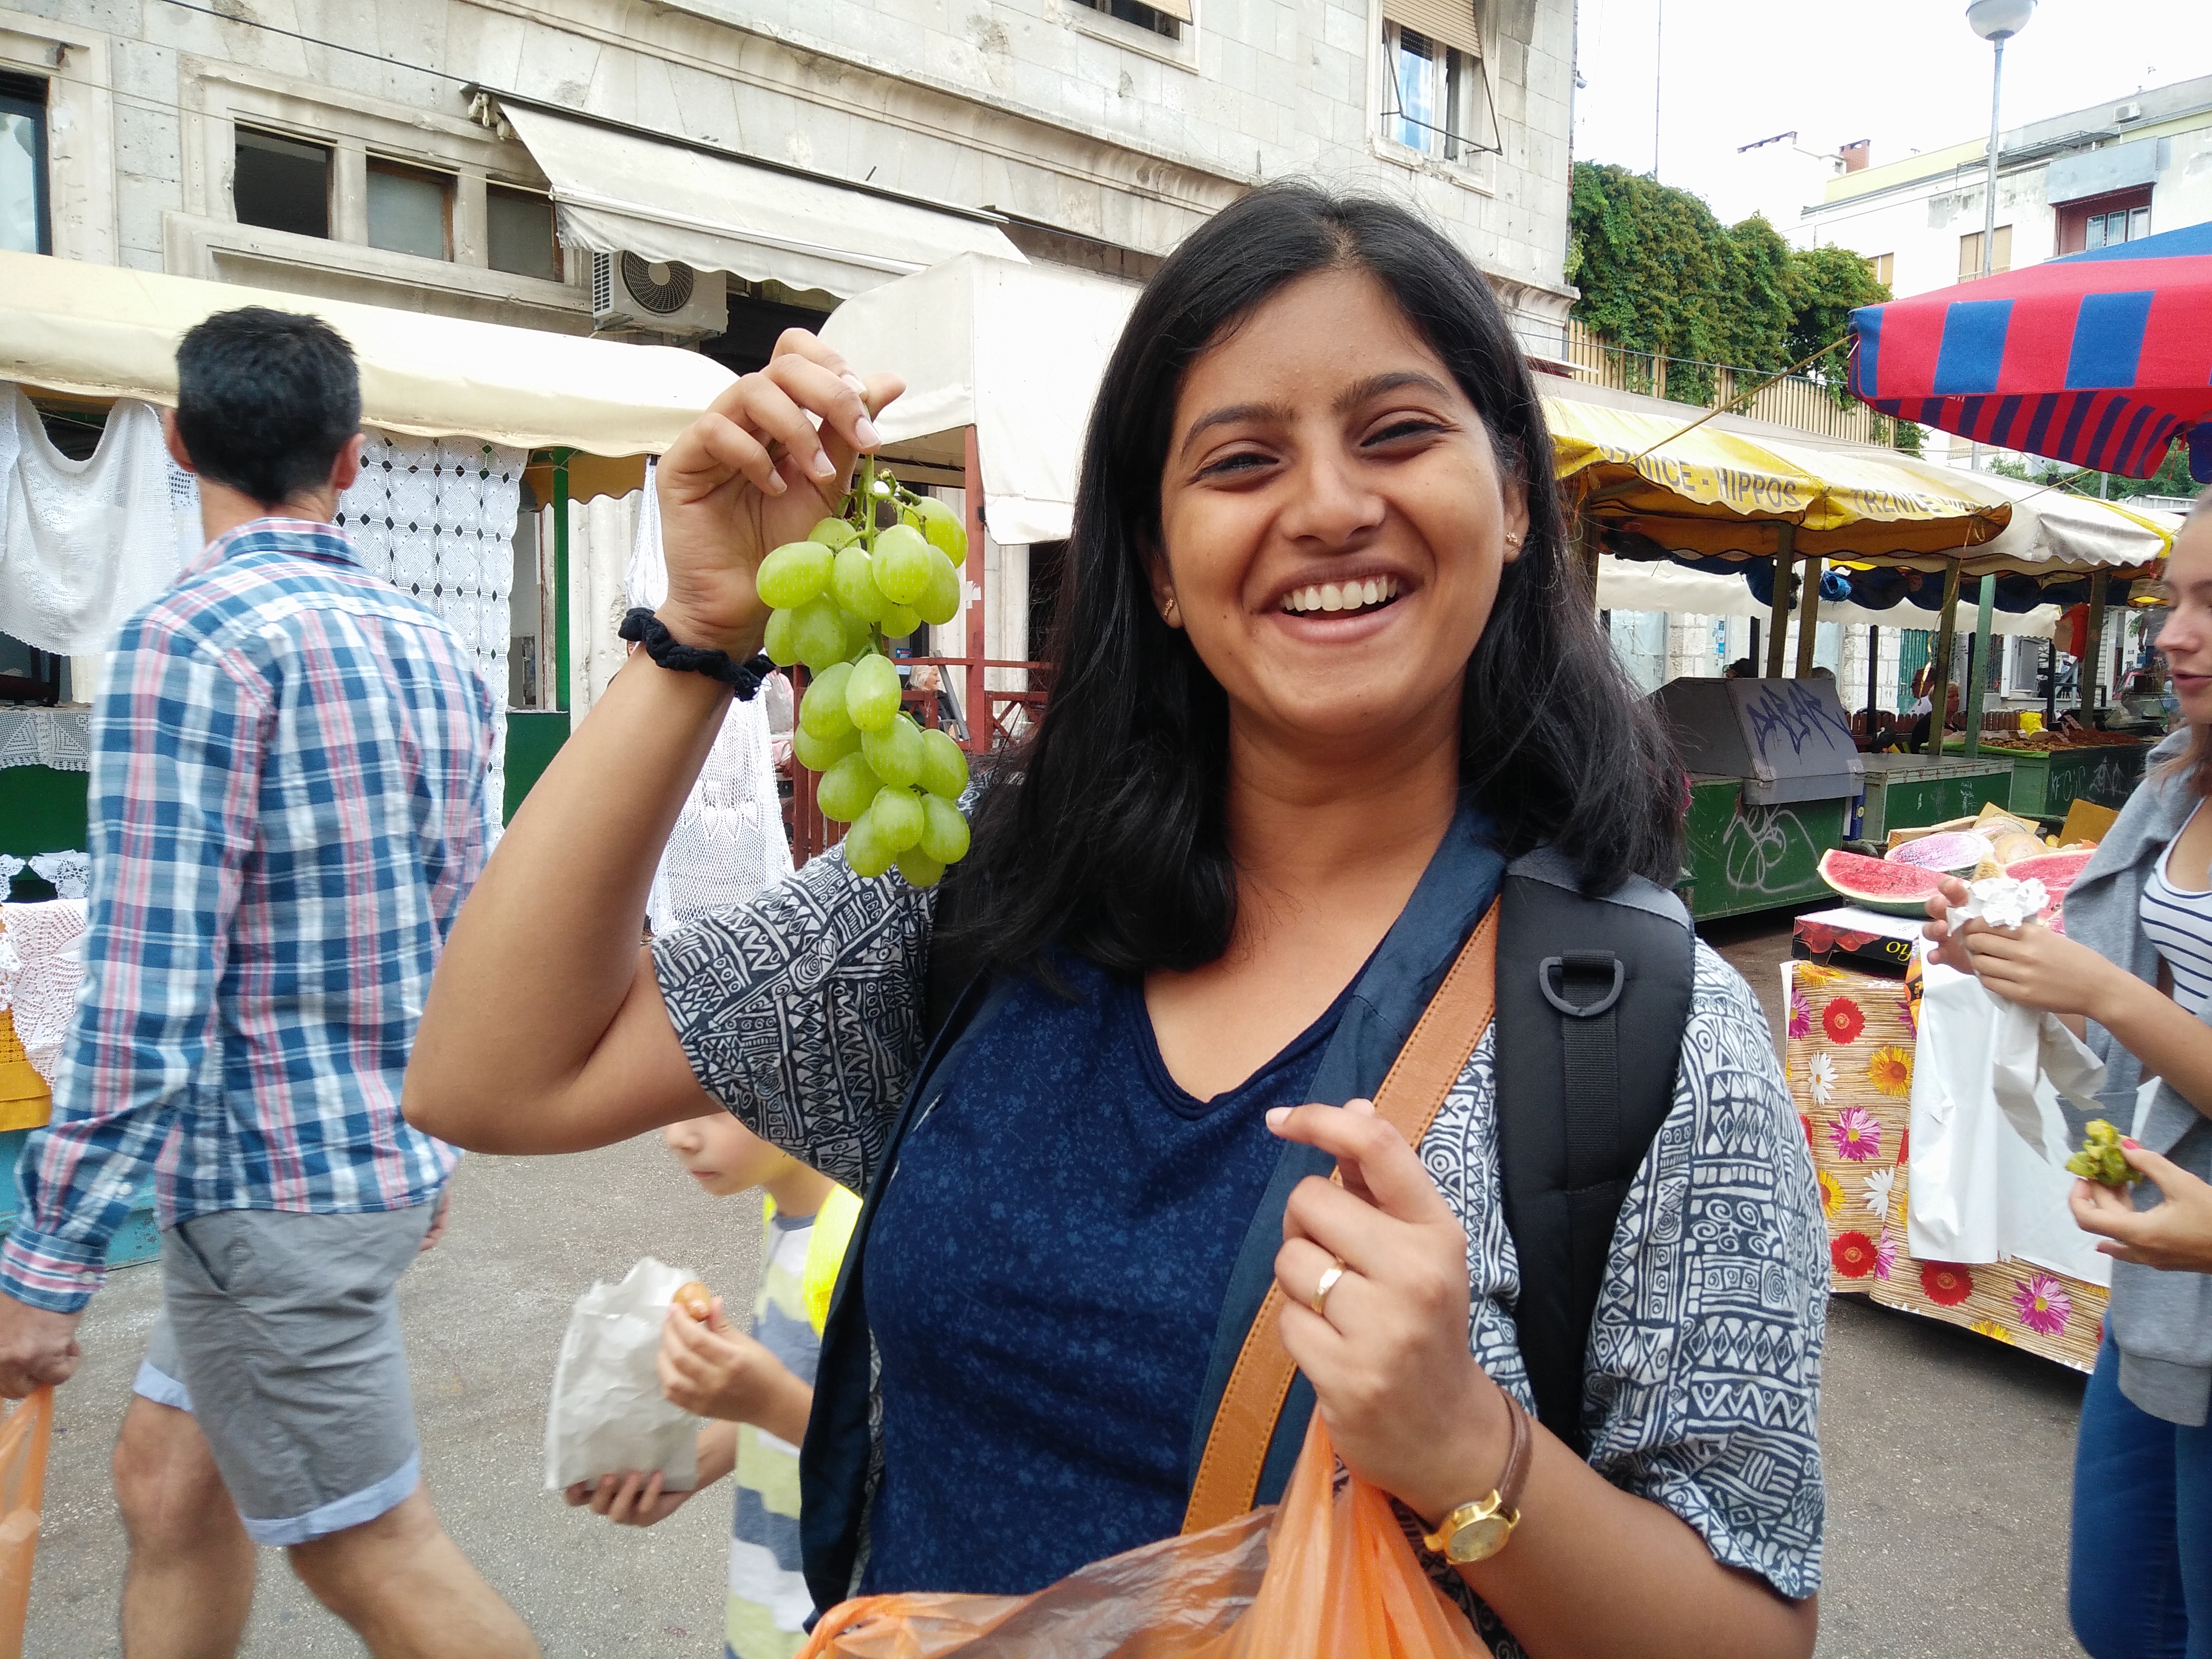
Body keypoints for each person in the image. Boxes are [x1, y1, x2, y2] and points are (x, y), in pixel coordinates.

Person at [405, 183, 1828, 1659]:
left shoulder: (1639, 1032)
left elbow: (1751, 1632)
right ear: (1155, 558)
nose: (1327, 505)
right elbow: (495, 1073)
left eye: (1398, 433)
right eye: (1241, 459)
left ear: (1516, 499)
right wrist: (699, 631)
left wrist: (1469, 1446)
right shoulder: (988, 892)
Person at [0, 308, 535, 1658]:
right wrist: (426, 1137)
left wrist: (45, 1262)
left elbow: (146, 989)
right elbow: (462, 925)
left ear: (179, 443)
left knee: (373, 1549)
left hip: (272, 1191)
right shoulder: (434, 648)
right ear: (351, 461)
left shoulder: (189, 640)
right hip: (337, 1174)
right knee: (167, 1483)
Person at [1926, 493, 2212, 1659]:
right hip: (2168, 1281)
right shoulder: (2179, 779)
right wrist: (2010, 961)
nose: (2172, 634)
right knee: (2122, 1614)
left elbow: (2132, 1003)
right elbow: (2143, 1001)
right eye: (2173, 598)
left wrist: (2103, 993)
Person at [566, 1115, 859, 1659]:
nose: (676, 1136)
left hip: (844, 1624)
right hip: (765, 1605)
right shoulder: (791, 1211)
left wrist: (770, 1401)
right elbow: (802, 1386)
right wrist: (688, 1467)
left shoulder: (858, 1242)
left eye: (714, 1104)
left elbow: (910, 1458)